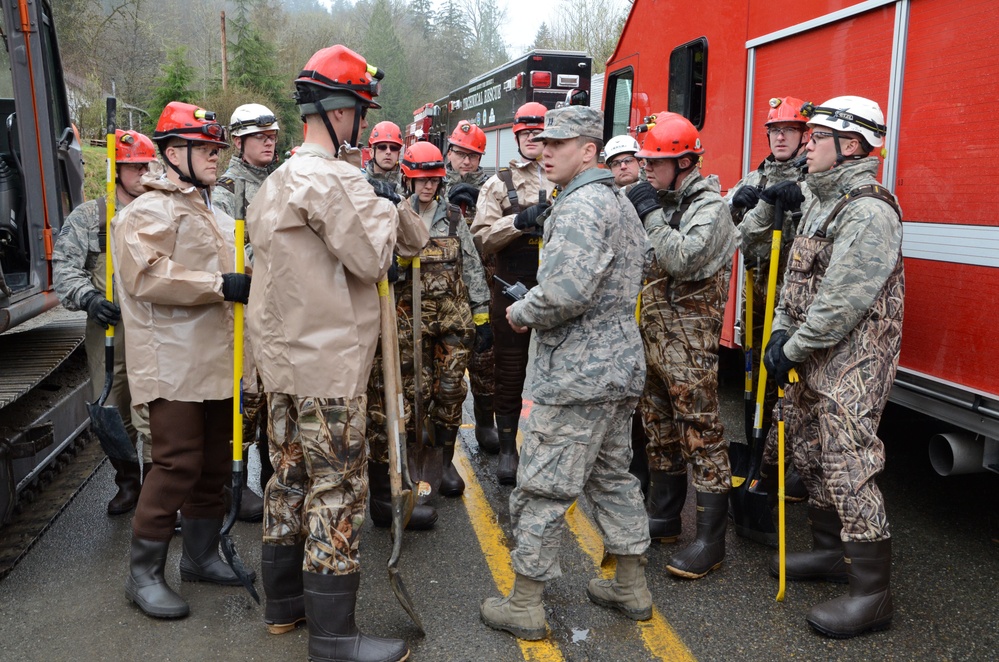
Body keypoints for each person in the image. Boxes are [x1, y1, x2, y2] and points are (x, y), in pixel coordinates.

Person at [245, 45, 427, 662]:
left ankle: (284, 606)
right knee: (335, 490)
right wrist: (382, 202)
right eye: (358, 111)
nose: (358, 123)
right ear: (340, 112)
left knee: (286, 478)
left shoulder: (274, 183)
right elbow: (376, 258)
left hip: (282, 366)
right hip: (328, 368)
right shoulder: (333, 179)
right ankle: (335, 637)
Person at [479, 105, 651, 640]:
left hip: (577, 375)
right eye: (542, 142)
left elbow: (565, 294)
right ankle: (631, 586)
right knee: (612, 476)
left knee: (542, 488)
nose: (545, 151)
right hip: (618, 368)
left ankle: (526, 604)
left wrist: (521, 310)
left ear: (588, 150)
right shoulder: (618, 201)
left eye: (558, 143)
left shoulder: (580, 206)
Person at [762, 96, 903, 638]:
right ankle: (828, 552)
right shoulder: (821, 201)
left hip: (852, 361)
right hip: (809, 351)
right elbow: (797, 282)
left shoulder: (868, 210)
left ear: (850, 146)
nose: (807, 143)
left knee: (849, 460)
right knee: (810, 451)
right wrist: (778, 330)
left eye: (818, 136)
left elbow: (842, 300)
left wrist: (791, 348)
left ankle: (872, 594)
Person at [113, 102, 248, 620]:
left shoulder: (212, 212)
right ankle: (142, 575)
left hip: (214, 358)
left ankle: (200, 556)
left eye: (217, 148)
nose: (216, 156)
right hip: (170, 361)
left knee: (212, 464)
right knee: (176, 465)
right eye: (206, 148)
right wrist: (219, 285)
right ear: (173, 153)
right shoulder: (148, 210)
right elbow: (146, 274)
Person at [626, 111, 738, 579]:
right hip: (654, 339)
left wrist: (648, 211)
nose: (645, 169)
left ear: (685, 161)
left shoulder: (709, 209)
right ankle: (665, 516)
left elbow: (682, 259)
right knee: (658, 427)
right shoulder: (666, 202)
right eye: (644, 161)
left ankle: (710, 541)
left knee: (701, 432)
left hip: (688, 348)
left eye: (655, 162)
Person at [52, 129, 156, 516]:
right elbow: (63, 269)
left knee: (161, 410)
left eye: (149, 165)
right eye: (135, 167)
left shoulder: (163, 210)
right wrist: (90, 298)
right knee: (111, 408)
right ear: (118, 170)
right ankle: (129, 480)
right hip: (109, 330)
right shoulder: (91, 217)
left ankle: (161, 491)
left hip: (157, 326)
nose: (144, 173)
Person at [727, 96, 811, 544]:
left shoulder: (812, 177)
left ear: (804, 137)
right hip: (757, 292)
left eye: (788, 130)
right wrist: (737, 203)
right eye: (773, 130)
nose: (779, 137)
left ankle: (786, 469)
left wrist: (796, 206)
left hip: (793, 297)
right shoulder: (755, 175)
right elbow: (726, 227)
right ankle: (757, 461)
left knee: (790, 385)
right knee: (754, 377)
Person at [393, 141, 490, 497]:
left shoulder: (452, 217)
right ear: (408, 179)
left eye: (433, 179)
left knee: (450, 392)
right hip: (409, 323)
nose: (427, 186)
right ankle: (412, 464)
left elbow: (472, 265)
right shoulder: (395, 214)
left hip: (451, 322)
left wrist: (482, 315)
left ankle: (444, 463)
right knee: (414, 394)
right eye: (420, 179)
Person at [471, 102, 554, 484]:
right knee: (509, 368)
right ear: (517, 137)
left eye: (539, 133)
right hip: (512, 287)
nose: (533, 139)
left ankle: (555, 449)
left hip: (557, 286)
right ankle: (507, 447)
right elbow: (481, 239)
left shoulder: (563, 175)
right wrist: (519, 222)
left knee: (560, 370)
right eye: (526, 134)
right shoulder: (497, 182)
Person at [211, 102, 282, 523]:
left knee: (277, 397)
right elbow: (226, 249)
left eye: (272, 135)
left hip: (284, 307)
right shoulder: (226, 189)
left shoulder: (283, 180)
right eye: (260, 136)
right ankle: (231, 487)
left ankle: (278, 480)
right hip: (248, 306)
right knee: (247, 399)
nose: (268, 141)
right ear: (238, 142)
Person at [443, 121, 498, 454]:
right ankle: (438, 438)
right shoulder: (431, 183)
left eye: (472, 156)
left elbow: (493, 237)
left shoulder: (492, 189)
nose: (465, 162)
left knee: (485, 360)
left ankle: (485, 424)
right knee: (443, 365)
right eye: (460, 154)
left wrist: (478, 211)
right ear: (449, 153)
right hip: (444, 290)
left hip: (483, 287)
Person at [604, 132, 650, 497]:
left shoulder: (654, 199)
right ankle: (632, 473)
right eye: (616, 162)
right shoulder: (607, 203)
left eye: (629, 160)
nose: (623, 166)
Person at [365, 120, 405, 192]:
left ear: (398, 154)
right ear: (371, 152)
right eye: (382, 147)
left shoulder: (407, 186)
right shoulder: (360, 184)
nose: (388, 152)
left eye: (393, 148)